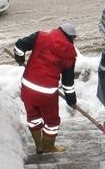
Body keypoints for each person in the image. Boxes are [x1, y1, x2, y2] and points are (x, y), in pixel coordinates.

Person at [13, 23, 78, 154]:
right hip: (47, 94)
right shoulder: (70, 54)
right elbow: (67, 83)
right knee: (52, 122)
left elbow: (19, 46)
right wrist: (71, 100)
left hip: (28, 88)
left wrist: (19, 59)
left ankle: (39, 146)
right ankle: (48, 146)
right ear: (71, 37)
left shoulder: (40, 36)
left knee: (33, 118)